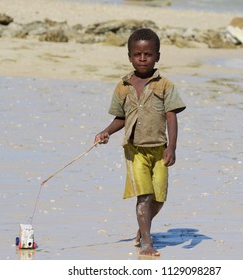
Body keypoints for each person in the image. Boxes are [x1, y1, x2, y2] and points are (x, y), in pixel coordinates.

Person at [94, 28, 186, 257]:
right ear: (130, 56)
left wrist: (171, 147)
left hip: (159, 150)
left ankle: (142, 228)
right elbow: (121, 118)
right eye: (137, 55)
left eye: (148, 54)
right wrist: (105, 132)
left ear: (157, 56)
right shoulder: (123, 86)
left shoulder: (165, 85)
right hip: (134, 151)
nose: (143, 59)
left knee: (159, 198)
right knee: (143, 196)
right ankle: (146, 242)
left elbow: (171, 117)